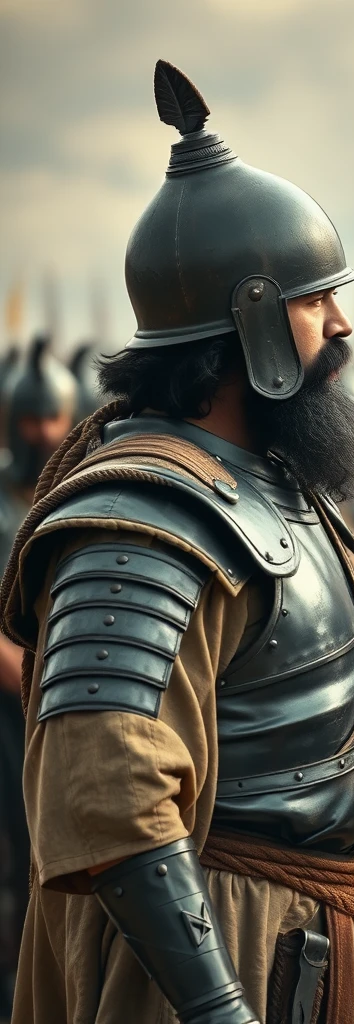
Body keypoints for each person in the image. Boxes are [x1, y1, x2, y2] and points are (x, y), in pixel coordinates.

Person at [1, 61, 354, 1024]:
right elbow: (110, 797)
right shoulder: (144, 524)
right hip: (203, 949)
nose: (341, 323)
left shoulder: (259, 480)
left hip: (296, 931)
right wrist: (218, 1007)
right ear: (252, 320)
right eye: (314, 302)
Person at [0, 335, 80, 1015]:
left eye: (53, 418)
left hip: (72, 703)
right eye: (31, 419)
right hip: (14, 710)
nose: (43, 432)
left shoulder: (87, 487)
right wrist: (42, 678)